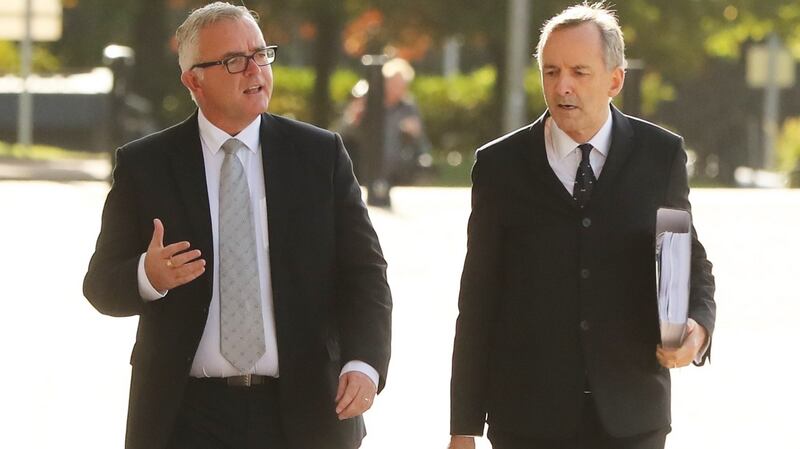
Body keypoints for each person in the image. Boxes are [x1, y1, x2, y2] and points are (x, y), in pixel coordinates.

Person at [83, 3, 392, 449]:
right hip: (184, 416)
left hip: (304, 411)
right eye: (233, 61)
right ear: (194, 79)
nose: (254, 70)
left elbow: (364, 273)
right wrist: (147, 276)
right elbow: (100, 284)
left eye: (260, 54)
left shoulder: (320, 156)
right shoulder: (145, 165)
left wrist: (364, 363)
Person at [448, 3, 716, 449]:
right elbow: (478, 299)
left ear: (615, 79)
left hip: (633, 415)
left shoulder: (660, 155)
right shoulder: (499, 166)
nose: (562, 86)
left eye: (578, 71)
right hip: (527, 419)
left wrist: (698, 328)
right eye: (550, 72)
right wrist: (463, 426)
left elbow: (688, 261)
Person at [336, 58, 431, 206]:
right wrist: (353, 119)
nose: (399, 89)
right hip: (364, 164)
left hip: (396, 167)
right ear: (384, 83)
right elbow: (342, 134)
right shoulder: (366, 101)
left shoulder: (408, 107)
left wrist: (414, 134)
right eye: (395, 84)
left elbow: (421, 139)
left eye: (402, 85)